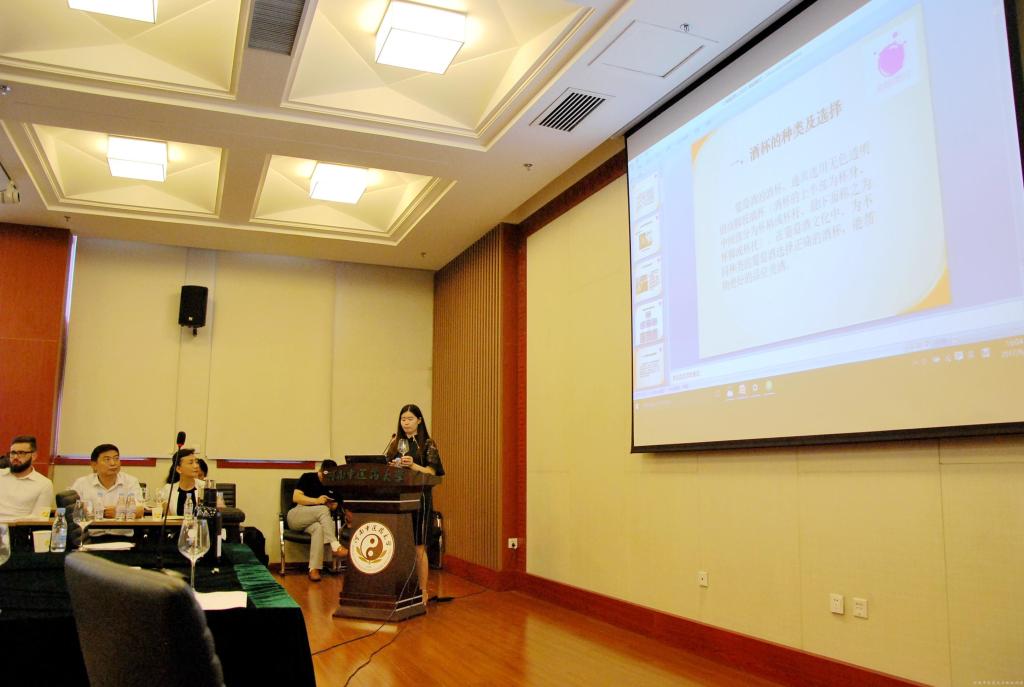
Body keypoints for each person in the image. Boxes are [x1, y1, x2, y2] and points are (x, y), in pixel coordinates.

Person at [384, 404, 444, 605]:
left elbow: (432, 472)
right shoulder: (396, 443)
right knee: (399, 546)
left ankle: (423, 590)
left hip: (420, 499)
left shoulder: (427, 444)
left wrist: (413, 465)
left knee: (418, 547)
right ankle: (401, 588)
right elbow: (386, 467)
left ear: (419, 420)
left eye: (410, 419)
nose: (406, 423)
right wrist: (393, 466)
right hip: (399, 498)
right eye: (403, 419)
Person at [286, 459, 348, 582]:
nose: (325, 480)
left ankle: (314, 569)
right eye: (324, 476)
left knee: (318, 528)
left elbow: (336, 505)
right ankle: (335, 546)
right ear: (320, 471)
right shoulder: (308, 477)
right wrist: (317, 501)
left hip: (315, 521)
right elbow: (296, 497)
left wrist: (332, 505)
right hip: (297, 515)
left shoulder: (334, 485)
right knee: (322, 509)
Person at [71, 444, 144, 519]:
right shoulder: (81, 483)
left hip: (120, 526)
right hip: (91, 526)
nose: (113, 463)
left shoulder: (130, 481)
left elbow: (140, 509)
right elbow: (70, 509)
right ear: (94, 465)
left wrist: (121, 512)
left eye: (116, 458)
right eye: (107, 459)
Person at [0, 435, 55, 519]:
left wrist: (9, 523)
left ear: (33, 456)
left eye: (21, 453)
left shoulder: (44, 484)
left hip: (18, 526)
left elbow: (40, 517)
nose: (15, 457)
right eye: (13, 453)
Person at [159, 449, 206, 515]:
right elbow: (168, 517)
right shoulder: (168, 489)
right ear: (179, 469)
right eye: (191, 463)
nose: (196, 466)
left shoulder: (205, 487)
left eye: (196, 462)